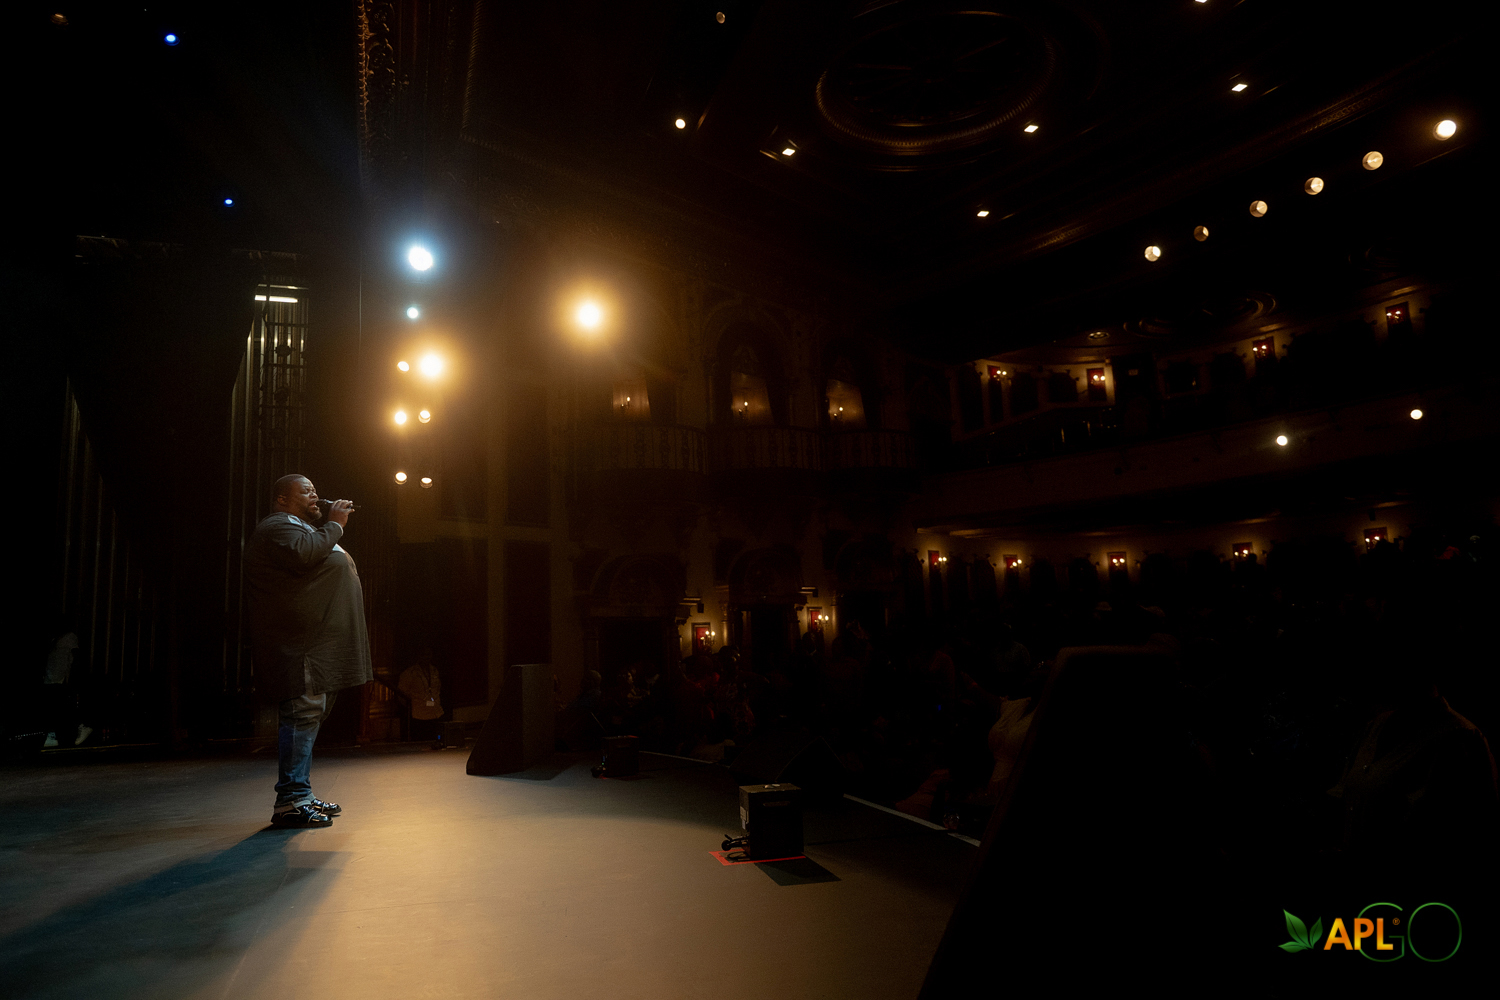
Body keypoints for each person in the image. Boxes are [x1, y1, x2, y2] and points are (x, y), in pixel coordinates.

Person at [245, 474, 371, 828]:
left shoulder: (304, 529)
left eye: (316, 489)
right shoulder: (277, 525)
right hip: (300, 646)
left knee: (311, 715)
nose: (315, 494)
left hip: (317, 645)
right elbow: (304, 554)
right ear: (282, 500)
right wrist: (336, 524)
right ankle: (290, 800)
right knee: (302, 715)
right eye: (305, 491)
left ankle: (301, 791)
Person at [42, 631, 91, 748]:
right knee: (54, 705)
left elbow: (75, 657)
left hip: (59, 678)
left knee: (59, 705)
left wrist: (73, 678)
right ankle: (54, 733)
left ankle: (77, 727)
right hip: (52, 678)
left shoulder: (68, 637)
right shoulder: (55, 639)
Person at [398, 647, 444, 742]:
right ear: (418, 656)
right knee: (421, 742)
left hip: (436, 712)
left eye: (428, 654)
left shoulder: (434, 671)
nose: (426, 657)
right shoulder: (409, 673)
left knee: (436, 740)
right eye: (423, 655)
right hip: (419, 715)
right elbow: (401, 693)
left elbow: (438, 688)